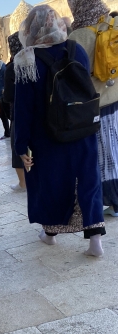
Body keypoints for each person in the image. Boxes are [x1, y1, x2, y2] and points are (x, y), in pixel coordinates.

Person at [14, 5, 105, 256]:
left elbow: (22, 109)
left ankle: (50, 233)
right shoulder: (76, 49)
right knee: (87, 179)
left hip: (47, 135)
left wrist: (21, 145)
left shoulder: (26, 59)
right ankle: (95, 240)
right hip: (81, 126)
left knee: (50, 183)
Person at [68, 0, 118, 217]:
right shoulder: (113, 24)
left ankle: (114, 201)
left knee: (106, 156)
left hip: (98, 104)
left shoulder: (77, 36)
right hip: (116, 96)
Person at [3, 32, 26, 191]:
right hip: (38, 112)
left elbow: (9, 96)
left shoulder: (12, 67)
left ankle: (23, 183)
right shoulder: (35, 60)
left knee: (17, 146)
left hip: (19, 112)